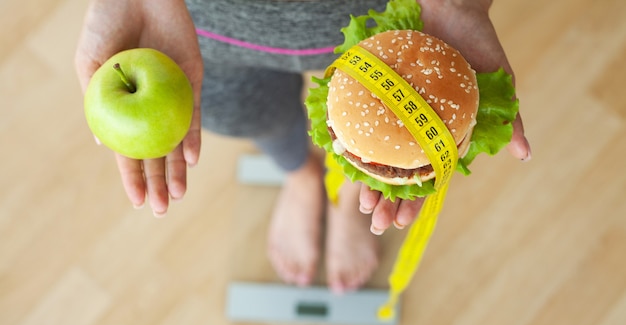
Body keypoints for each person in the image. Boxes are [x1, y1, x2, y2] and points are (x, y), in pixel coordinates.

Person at [75, 0, 531, 294]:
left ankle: (352, 191)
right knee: (247, 113)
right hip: (189, 27)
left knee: (372, 133)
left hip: (380, 15)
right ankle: (302, 174)